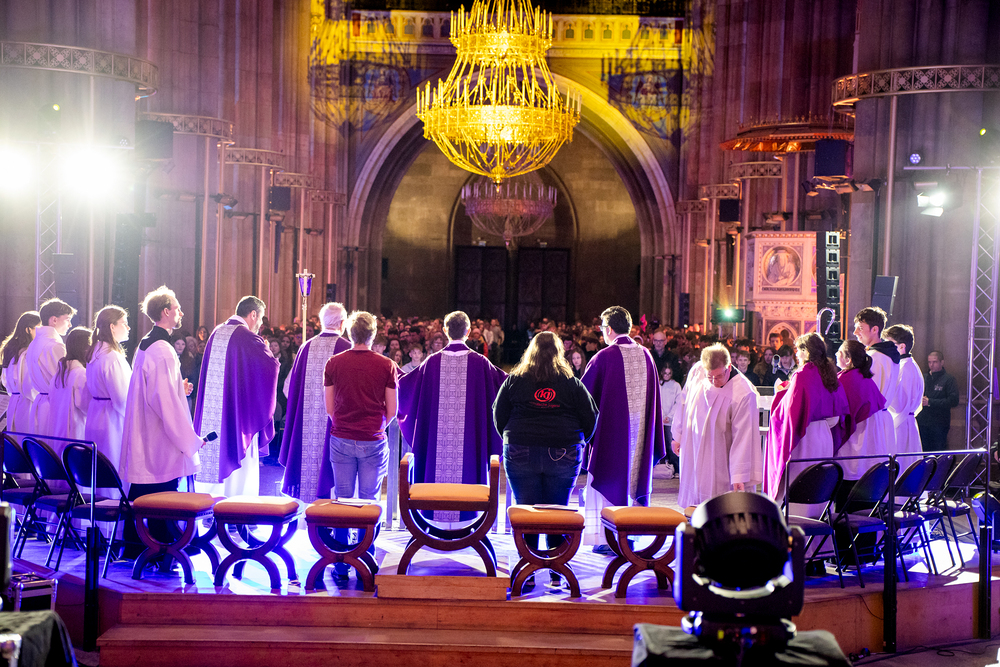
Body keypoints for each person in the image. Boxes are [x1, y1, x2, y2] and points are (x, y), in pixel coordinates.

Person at [492, 331, 598, 588]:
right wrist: (580, 441)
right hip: (563, 450)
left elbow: (498, 414)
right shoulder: (570, 383)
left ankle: (527, 572)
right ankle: (556, 570)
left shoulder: (515, 380)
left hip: (520, 448)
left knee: (525, 511)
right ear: (559, 353)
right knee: (557, 510)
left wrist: (511, 438)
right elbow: (591, 415)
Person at [120, 287, 207, 557]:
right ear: (166, 311)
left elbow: (159, 390)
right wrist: (190, 441)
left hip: (146, 428)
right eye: (177, 308)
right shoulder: (163, 349)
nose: (181, 312)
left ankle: (135, 546)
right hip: (159, 434)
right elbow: (165, 403)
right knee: (162, 491)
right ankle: (161, 549)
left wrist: (179, 388)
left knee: (143, 489)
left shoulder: (146, 343)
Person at [397, 311, 507, 507]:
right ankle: (469, 515)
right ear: (468, 332)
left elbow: (405, 386)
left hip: (435, 444)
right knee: (469, 490)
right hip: (471, 442)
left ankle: (434, 511)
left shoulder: (431, 363)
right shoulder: (480, 363)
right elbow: (504, 384)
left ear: (445, 331)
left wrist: (389, 372)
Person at [580, 306, 665, 553]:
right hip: (640, 440)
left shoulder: (604, 357)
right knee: (633, 483)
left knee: (608, 478)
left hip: (611, 440)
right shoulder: (647, 356)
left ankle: (606, 539)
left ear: (608, 329)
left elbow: (582, 397)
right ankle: (628, 536)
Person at [323, 310, 397, 584]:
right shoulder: (386, 364)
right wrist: (375, 426)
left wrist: (347, 425)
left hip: (341, 437)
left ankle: (342, 563)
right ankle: (367, 558)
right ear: (373, 335)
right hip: (373, 440)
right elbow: (392, 410)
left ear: (349, 333)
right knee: (369, 500)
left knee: (343, 500)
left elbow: (329, 408)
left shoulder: (334, 363)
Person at [193, 296, 280, 497]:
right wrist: (268, 353)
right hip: (238, 416)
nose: (260, 324)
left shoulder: (216, 331)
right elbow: (269, 368)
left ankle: (209, 503)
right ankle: (238, 507)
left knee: (213, 454)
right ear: (253, 314)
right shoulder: (248, 337)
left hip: (213, 413)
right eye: (261, 319)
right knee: (240, 468)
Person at [672, 344, 762, 507]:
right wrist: (678, 435)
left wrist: (739, 475)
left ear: (729, 367)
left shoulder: (743, 393)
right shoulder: (698, 370)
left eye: (719, 376)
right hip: (693, 446)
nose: (714, 381)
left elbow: (744, 437)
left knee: (719, 504)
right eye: (710, 376)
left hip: (720, 455)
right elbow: (684, 401)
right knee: (693, 498)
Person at [279, 302, 352, 502]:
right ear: (342, 323)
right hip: (337, 423)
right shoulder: (347, 348)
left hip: (306, 425)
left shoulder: (305, 347)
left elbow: (288, 388)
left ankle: (306, 513)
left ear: (321, 322)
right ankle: (332, 513)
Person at [764, 333, 849, 499]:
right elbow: (836, 413)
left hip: (805, 436)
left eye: (798, 350)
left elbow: (791, 411)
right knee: (818, 485)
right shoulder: (829, 372)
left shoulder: (802, 374)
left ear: (807, 351)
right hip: (824, 435)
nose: (796, 354)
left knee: (800, 484)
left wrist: (781, 395)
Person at [834, 340, 894, 483]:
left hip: (856, 438)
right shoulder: (864, 377)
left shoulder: (846, 379)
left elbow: (841, 415)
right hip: (871, 437)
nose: (836, 354)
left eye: (839, 352)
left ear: (848, 359)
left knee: (851, 475)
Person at [85, 306, 132, 472]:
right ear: (112, 326)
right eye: (124, 323)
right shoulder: (112, 357)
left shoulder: (95, 352)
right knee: (113, 465)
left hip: (95, 415)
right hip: (112, 419)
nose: (128, 328)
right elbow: (122, 399)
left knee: (98, 469)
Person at [23, 298, 76, 435]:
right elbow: (65, 380)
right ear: (54, 320)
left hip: (40, 402)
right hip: (54, 404)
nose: (70, 325)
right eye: (67, 319)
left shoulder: (34, 343)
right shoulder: (55, 345)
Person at [882, 324, 923, 456]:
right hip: (905, 422)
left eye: (889, 344)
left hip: (900, 425)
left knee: (901, 463)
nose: (886, 347)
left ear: (901, 346)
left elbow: (899, 404)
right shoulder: (908, 365)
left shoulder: (905, 368)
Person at [48, 327, 92, 445]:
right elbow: (88, 407)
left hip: (58, 431)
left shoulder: (59, 374)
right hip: (75, 433)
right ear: (85, 349)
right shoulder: (81, 374)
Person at [853, 306, 900, 415]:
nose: (855, 332)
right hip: (882, 415)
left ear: (874, 329)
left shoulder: (874, 357)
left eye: (860, 328)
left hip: (870, 416)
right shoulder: (888, 354)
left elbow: (868, 394)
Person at [0, 311, 41, 435]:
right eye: (38, 328)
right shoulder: (27, 353)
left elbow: (5, 381)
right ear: (28, 330)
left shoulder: (11, 349)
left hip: (14, 399)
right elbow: (28, 384)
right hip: (27, 402)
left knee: (15, 438)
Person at [916, 350, 959, 451]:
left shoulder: (949, 379)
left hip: (939, 423)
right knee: (923, 452)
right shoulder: (923, 377)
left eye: (934, 362)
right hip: (922, 422)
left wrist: (930, 402)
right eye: (929, 362)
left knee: (938, 452)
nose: (931, 365)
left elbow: (954, 400)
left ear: (942, 362)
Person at [658, 365, 682, 474]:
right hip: (660, 420)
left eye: (669, 373)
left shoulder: (676, 385)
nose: (667, 376)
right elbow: (657, 400)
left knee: (670, 443)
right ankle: (662, 468)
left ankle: (676, 469)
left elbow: (678, 402)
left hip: (670, 421)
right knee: (660, 444)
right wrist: (663, 415)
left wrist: (670, 416)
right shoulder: (659, 384)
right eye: (665, 373)